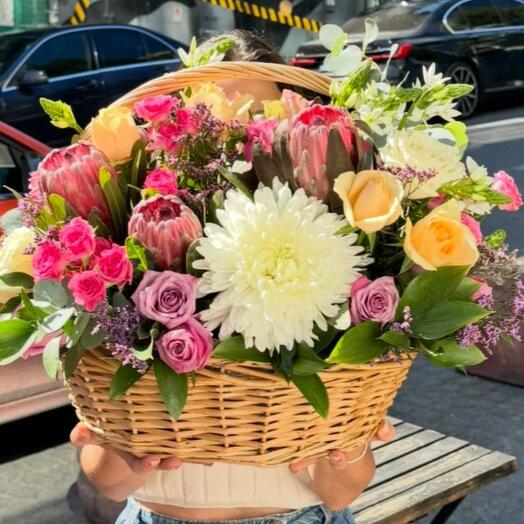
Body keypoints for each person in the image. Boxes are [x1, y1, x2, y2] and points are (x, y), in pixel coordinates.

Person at [70, 30, 397, 524]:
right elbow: (110, 482)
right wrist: (122, 449)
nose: (232, 134)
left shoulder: (335, 264)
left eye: (254, 118)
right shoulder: (132, 256)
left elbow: (339, 493)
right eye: (212, 115)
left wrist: (344, 446)